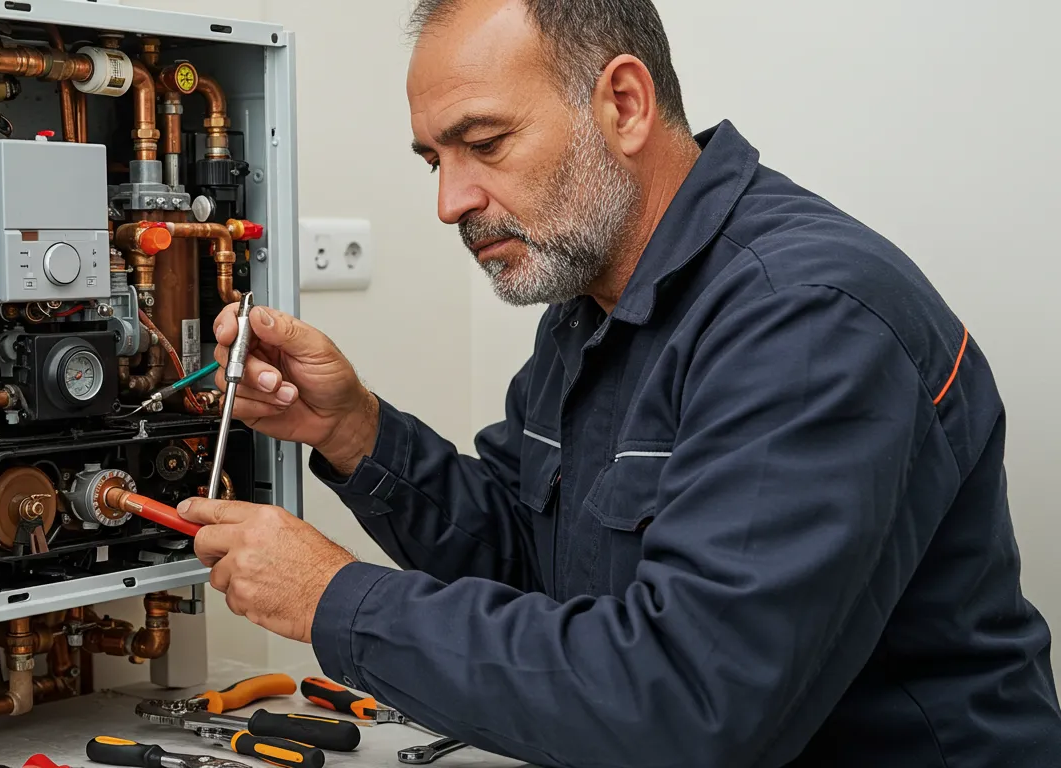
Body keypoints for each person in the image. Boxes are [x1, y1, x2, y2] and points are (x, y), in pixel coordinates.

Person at [175, 0, 1061, 765]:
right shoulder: (595, 298)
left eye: (484, 143)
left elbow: (693, 701)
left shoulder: (806, 319)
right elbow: (531, 566)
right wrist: (355, 431)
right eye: (433, 161)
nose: (450, 201)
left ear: (624, 104)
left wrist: (335, 599)